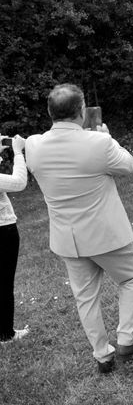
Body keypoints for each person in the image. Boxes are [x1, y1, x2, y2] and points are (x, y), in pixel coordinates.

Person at [25, 84, 133, 373]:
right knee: (130, 279)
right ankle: (127, 340)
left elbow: (27, 145)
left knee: (85, 297)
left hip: (68, 239)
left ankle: (102, 355)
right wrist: (109, 137)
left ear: (49, 112)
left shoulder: (33, 146)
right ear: (81, 112)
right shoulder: (99, 143)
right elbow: (128, 165)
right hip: (108, 235)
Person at [0, 134, 29, 343]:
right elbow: (19, 182)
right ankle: (6, 334)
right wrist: (18, 152)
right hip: (3, 231)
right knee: (4, 282)